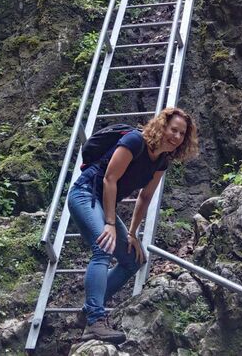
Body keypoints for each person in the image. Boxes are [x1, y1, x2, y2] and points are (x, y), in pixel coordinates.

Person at [68, 107, 199, 344]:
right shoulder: (134, 141)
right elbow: (110, 178)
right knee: (103, 247)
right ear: (163, 127)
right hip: (85, 193)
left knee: (133, 260)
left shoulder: (161, 161)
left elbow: (145, 197)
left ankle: (90, 308)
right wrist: (109, 222)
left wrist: (132, 233)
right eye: (174, 130)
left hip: (102, 202)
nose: (177, 137)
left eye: (182, 134)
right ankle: (95, 321)